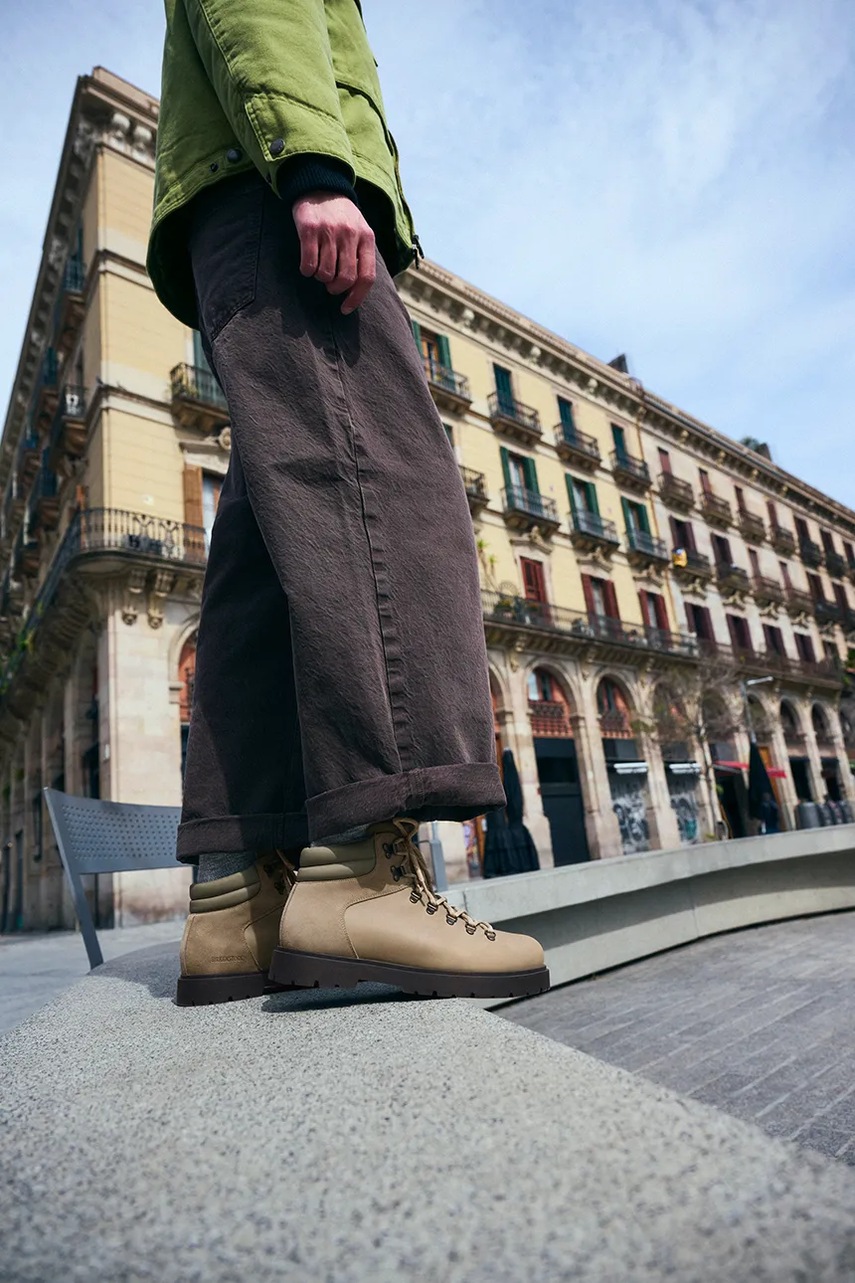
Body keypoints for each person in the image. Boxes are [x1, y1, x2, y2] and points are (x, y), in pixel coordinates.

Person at [147, 0, 549, 1006]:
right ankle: (364, 873)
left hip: (235, 208)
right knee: (387, 489)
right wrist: (316, 171)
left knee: (269, 544)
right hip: (275, 191)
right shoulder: (301, 184)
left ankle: (237, 898)